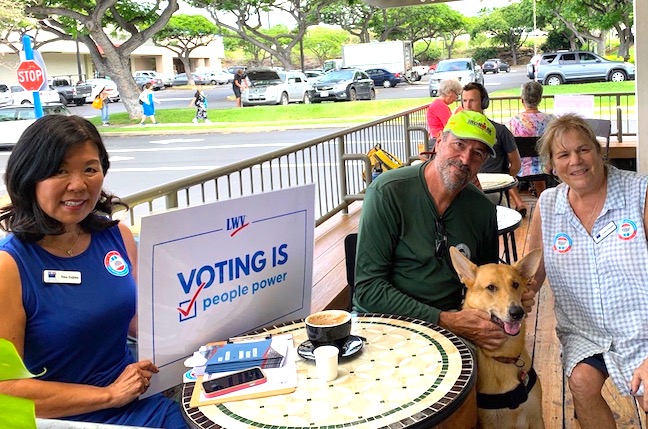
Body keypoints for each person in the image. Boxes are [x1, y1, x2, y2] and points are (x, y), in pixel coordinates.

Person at [0, 115, 187, 428]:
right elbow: (5, 391)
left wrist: (203, 330)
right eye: (59, 171)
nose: (78, 185)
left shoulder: (117, 236)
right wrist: (109, 395)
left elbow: (137, 321)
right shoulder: (9, 267)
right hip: (69, 419)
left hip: (141, 396)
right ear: (29, 178)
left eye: (90, 168)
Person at [354, 110, 514, 352]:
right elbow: (368, 289)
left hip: (450, 323)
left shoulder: (482, 209)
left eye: (477, 153)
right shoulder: (388, 192)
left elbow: (487, 280)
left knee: (488, 363)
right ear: (439, 142)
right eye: (459, 144)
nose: (465, 159)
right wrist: (442, 319)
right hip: (382, 321)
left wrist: (514, 297)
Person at [528, 114, 648, 429]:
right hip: (586, 332)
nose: (576, 161)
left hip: (642, 329)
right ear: (552, 165)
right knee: (581, 381)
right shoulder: (548, 204)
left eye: (583, 150)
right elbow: (528, 276)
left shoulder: (639, 193)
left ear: (598, 151)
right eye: (563, 154)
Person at [461, 82, 528, 217]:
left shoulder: (500, 131)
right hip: (464, 188)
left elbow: (516, 163)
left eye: (472, 101)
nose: (467, 106)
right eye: (464, 101)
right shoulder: (456, 133)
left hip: (491, 190)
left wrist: (503, 180)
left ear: (484, 103)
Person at [508, 81, 554, 196]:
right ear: (540, 99)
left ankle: (518, 202)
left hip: (520, 167)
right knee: (540, 163)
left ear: (522, 99)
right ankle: (542, 198)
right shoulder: (551, 121)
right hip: (545, 167)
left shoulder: (513, 122)